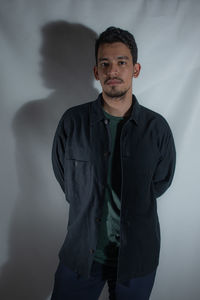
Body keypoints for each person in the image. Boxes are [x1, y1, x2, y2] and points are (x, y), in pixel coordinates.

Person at [50, 26, 176, 300]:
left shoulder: (157, 129)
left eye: (122, 62)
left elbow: (160, 182)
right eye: (104, 64)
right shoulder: (73, 123)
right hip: (80, 257)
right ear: (96, 72)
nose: (112, 70)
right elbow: (66, 180)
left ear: (136, 69)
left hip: (136, 261)